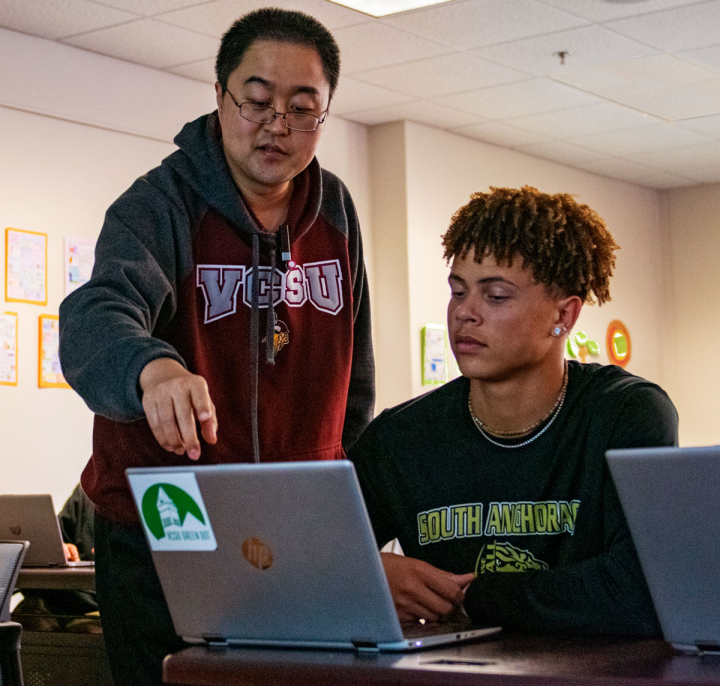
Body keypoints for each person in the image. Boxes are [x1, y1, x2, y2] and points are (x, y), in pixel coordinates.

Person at [59, 8, 374, 684]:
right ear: (221, 96)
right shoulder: (159, 205)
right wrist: (155, 369)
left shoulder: (335, 211)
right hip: (169, 532)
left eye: (303, 108)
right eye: (257, 102)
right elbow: (97, 314)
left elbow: (358, 378)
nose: (278, 126)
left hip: (294, 530)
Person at [349, 186, 677, 636]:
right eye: (458, 291)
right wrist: (365, 575)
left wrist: (475, 599)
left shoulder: (626, 413)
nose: (465, 313)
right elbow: (306, 557)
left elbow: (645, 588)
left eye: (496, 296)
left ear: (564, 315)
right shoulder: (400, 437)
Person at [12, 484, 99, 633]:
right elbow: (56, 541)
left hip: (97, 605)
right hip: (53, 599)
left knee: (88, 630)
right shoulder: (89, 490)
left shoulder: (144, 492)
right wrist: (61, 548)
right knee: (21, 622)